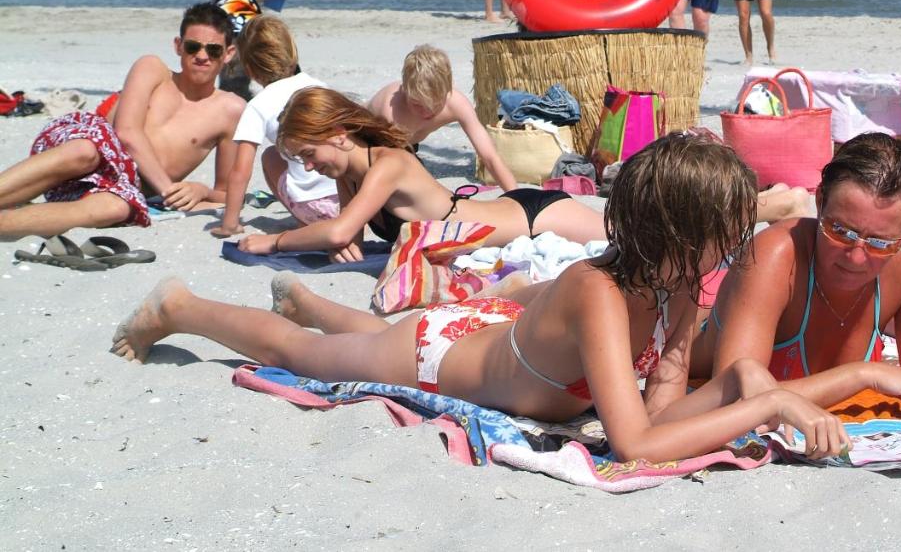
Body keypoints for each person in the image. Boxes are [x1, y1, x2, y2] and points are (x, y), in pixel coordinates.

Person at [112, 133, 853, 463]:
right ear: (679, 232)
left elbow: (659, 413)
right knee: (302, 355)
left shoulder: (680, 285)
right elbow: (633, 446)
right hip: (438, 354)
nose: (738, 239)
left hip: (494, 328)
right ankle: (181, 308)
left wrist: (743, 382)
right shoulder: (599, 291)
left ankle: (315, 304)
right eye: (727, 227)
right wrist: (767, 406)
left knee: (355, 336)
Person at [695, 134, 901, 438]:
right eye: (840, 231)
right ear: (819, 201)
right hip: (705, 317)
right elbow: (737, 401)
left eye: (881, 243)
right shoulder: (775, 257)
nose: (856, 257)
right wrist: (862, 374)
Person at [231, 87, 606, 261]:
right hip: (504, 211)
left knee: (628, 238)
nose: (309, 167)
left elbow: (339, 232)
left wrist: (276, 241)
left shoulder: (389, 164)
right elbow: (348, 239)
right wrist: (339, 246)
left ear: (339, 134)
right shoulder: (346, 175)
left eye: (309, 155)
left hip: (534, 216)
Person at [0, 3, 244, 239]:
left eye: (213, 50)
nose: (202, 56)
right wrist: (168, 190)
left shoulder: (231, 110)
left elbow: (227, 194)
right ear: (178, 46)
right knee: (84, 151)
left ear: (229, 54)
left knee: (116, 209)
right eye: (193, 47)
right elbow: (126, 133)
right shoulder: (153, 69)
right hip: (84, 150)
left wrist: (201, 191)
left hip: (124, 187)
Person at [211, 16, 338, 239]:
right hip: (348, 203)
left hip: (311, 209)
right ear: (293, 54)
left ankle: (303, 222)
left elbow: (240, 171)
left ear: (249, 70)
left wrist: (229, 224)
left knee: (270, 156)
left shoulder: (258, 105)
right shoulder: (319, 87)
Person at [367, 44, 518, 192]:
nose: (426, 113)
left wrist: (516, 197)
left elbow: (490, 156)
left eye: (435, 104)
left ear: (448, 90)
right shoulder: (391, 113)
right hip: (368, 141)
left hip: (407, 143)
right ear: (405, 89)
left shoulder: (456, 104)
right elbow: (381, 169)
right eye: (417, 104)